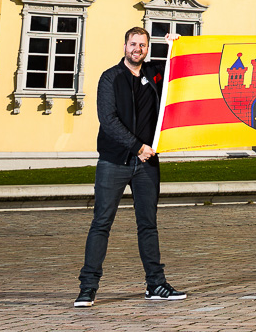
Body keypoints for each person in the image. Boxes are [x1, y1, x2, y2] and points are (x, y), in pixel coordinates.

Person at [75, 27, 184, 307]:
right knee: (101, 224)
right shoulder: (110, 78)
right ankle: (87, 288)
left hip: (147, 165)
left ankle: (156, 285)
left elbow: (179, 68)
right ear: (125, 45)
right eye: (133, 44)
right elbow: (108, 120)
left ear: (147, 48)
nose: (138, 49)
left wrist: (176, 45)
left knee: (148, 225)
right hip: (114, 162)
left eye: (143, 45)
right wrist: (138, 146)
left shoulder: (153, 74)